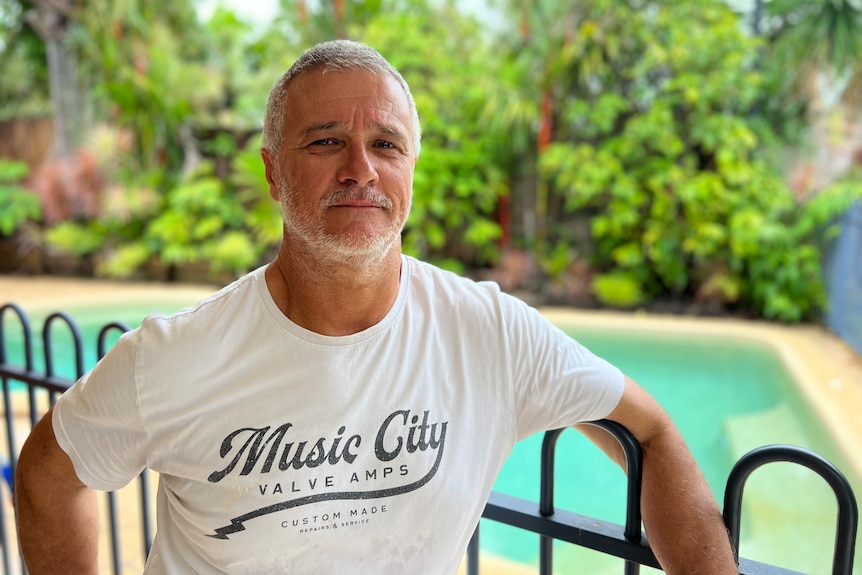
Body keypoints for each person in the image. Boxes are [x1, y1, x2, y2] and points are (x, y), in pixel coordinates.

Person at [15, 40, 739, 574]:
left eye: (385, 144)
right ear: (273, 170)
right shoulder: (175, 356)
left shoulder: (488, 333)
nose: (360, 169)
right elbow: (50, 474)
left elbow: (649, 431)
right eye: (326, 141)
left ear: (411, 169)